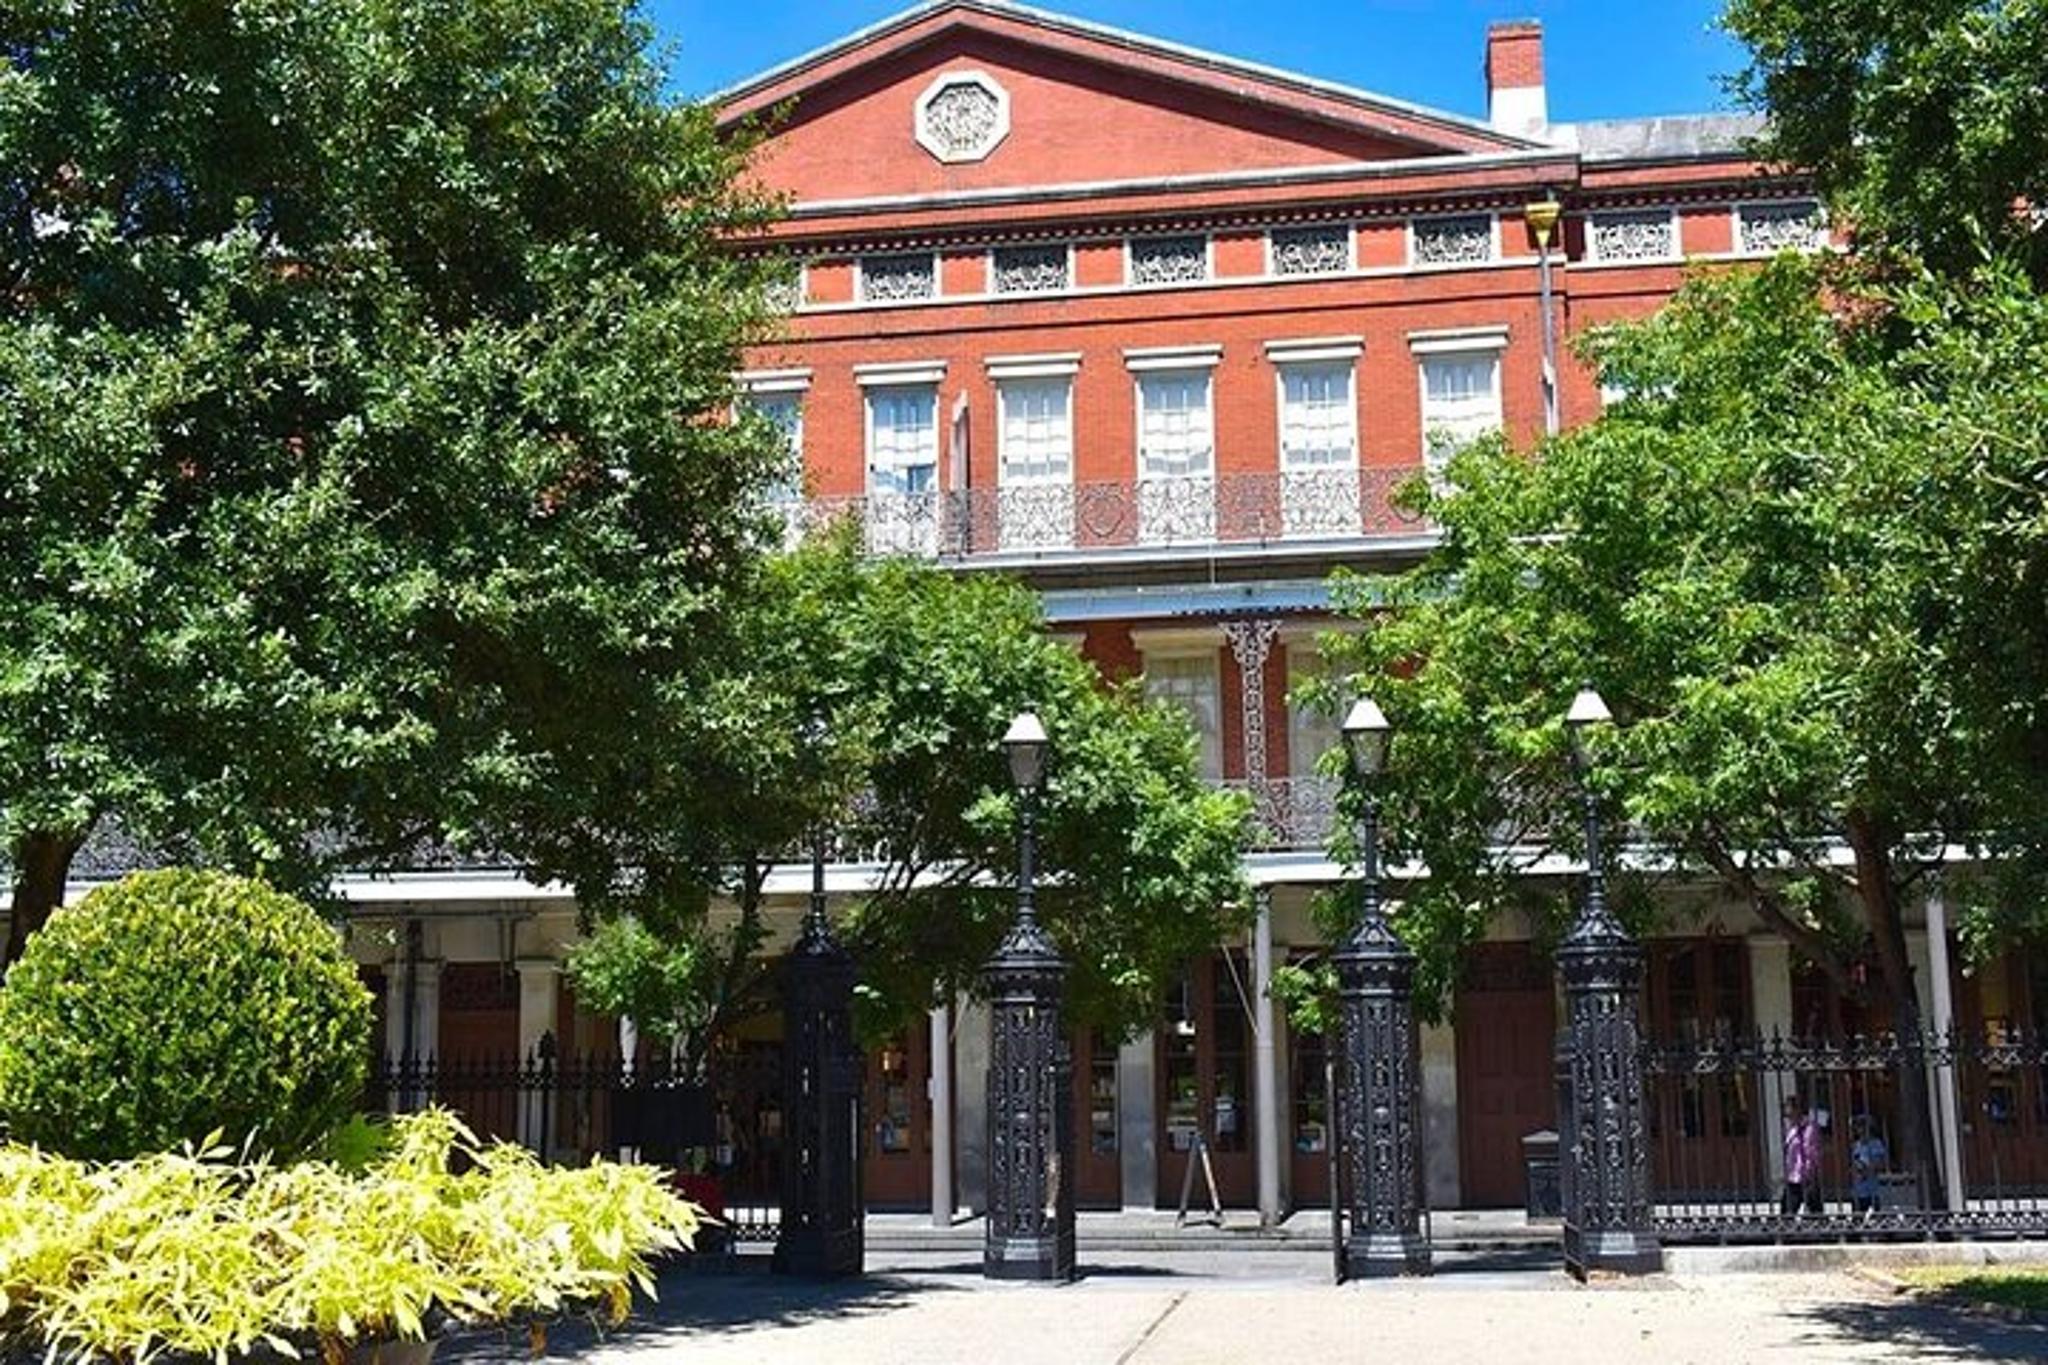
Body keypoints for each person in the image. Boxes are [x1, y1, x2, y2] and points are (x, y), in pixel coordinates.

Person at [1781, 1095, 1822, 1217]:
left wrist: (1811, 1173)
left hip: (1805, 1176)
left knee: (1815, 1211)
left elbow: (1811, 1152)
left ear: (1797, 1110)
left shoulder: (1809, 1128)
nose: (1786, 1113)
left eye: (1788, 1108)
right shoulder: (1792, 1129)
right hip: (1793, 1176)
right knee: (1787, 1210)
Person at [1849, 1114, 1889, 1216]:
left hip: (1872, 1190)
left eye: (1862, 1127)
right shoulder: (1856, 1145)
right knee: (1857, 1219)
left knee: (1875, 1218)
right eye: (1858, 1127)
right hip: (1857, 1190)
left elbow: (1880, 1164)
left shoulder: (1876, 1144)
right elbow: (1853, 1163)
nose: (1860, 1131)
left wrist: (1867, 1170)